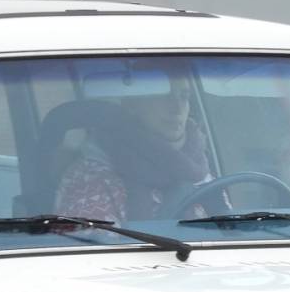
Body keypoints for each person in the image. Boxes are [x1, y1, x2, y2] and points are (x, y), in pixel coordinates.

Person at [54, 71, 215, 222]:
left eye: (184, 96)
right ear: (132, 104)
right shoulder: (91, 178)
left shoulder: (201, 173)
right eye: (163, 96)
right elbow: (91, 249)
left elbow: (230, 231)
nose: (177, 108)